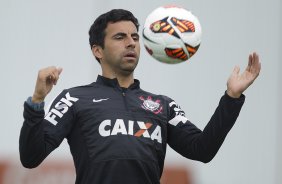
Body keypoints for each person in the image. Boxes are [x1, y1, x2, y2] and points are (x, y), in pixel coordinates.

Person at [19, 9, 261, 184]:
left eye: (135, 37)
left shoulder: (163, 105)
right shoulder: (73, 98)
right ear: (97, 50)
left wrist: (231, 97)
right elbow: (31, 157)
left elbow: (202, 150)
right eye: (120, 37)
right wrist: (37, 101)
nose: (131, 43)